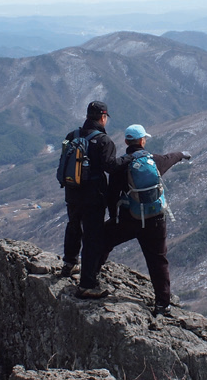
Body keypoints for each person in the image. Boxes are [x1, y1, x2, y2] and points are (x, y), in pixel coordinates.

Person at [103, 124, 191, 315]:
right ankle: (163, 304)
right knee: (158, 261)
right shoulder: (155, 160)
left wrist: (114, 217)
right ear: (143, 140)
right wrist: (183, 154)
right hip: (156, 219)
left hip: (129, 219)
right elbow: (171, 157)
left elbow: (111, 195)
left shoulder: (120, 166)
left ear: (126, 142)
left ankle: (92, 278)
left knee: (102, 241)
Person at [60, 100, 121, 299]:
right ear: (103, 117)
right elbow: (110, 167)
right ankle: (87, 284)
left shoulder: (72, 136)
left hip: (72, 192)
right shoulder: (104, 141)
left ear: (87, 116)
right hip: (93, 197)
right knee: (92, 238)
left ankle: (69, 264)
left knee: (73, 226)